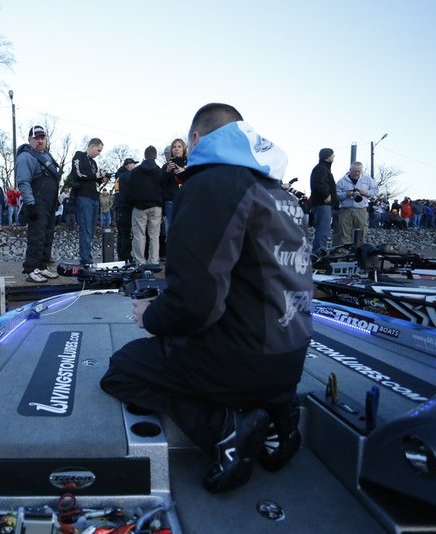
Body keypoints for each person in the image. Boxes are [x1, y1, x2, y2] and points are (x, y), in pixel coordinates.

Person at [100, 103, 313, 494]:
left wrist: (151, 316)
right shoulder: (277, 193)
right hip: (290, 359)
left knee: (123, 369)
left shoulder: (210, 183)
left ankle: (226, 431)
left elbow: (195, 304)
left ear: (197, 139)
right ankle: (280, 412)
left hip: (245, 361)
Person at [16, 125, 61, 283]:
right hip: (36, 203)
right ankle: (30, 269)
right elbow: (23, 182)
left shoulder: (47, 156)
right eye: (37, 138)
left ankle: (41, 266)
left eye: (42, 138)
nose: (40, 141)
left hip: (50, 204)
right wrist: (30, 204)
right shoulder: (26, 157)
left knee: (47, 235)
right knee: (36, 236)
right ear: (30, 139)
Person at [69, 138, 106, 265]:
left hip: (94, 197)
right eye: (98, 150)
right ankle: (85, 258)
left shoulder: (94, 163)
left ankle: (87, 256)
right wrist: (95, 176)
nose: (99, 153)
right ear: (92, 146)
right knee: (85, 229)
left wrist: (102, 178)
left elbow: (94, 181)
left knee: (91, 228)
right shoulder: (79, 156)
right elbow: (78, 173)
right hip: (83, 197)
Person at [128, 146, 164, 265]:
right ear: (155, 156)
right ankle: (154, 262)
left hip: (139, 207)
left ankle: (140, 262)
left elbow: (130, 190)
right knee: (154, 236)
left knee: (139, 235)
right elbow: (163, 190)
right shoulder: (159, 171)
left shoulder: (135, 172)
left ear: (144, 156)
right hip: (156, 207)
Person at [335, 161, 378, 245]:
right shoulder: (342, 181)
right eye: (355, 171)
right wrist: (346, 194)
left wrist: (366, 193)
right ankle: (345, 253)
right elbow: (336, 195)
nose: (357, 173)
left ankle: (359, 252)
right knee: (345, 233)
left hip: (361, 210)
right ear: (350, 170)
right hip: (345, 210)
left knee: (361, 232)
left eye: (359, 171)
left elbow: (375, 190)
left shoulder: (368, 179)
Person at [309, 148, 337, 255]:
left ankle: (318, 253)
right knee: (323, 230)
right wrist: (327, 195)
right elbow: (317, 183)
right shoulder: (321, 168)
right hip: (322, 204)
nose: (334, 156)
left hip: (322, 204)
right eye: (332, 155)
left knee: (322, 230)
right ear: (328, 156)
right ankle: (318, 255)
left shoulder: (322, 168)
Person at [161, 138, 187, 234]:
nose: (176, 149)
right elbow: (161, 185)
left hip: (186, 201)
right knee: (172, 232)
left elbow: (196, 181)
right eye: (174, 147)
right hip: (171, 203)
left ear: (184, 149)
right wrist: (167, 172)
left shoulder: (190, 164)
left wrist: (185, 172)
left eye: (179, 146)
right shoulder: (166, 166)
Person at [113, 157, 137, 261]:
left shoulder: (119, 175)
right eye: (133, 164)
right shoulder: (127, 176)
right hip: (125, 207)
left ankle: (121, 255)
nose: (134, 166)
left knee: (121, 233)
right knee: (126, 233)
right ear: (127, 165)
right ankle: (125, 255)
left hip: (119, 207)